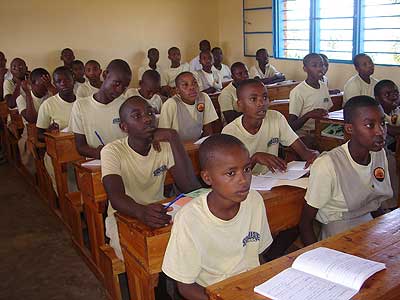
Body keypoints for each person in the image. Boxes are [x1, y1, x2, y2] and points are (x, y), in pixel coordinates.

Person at [162, 134, 273, 299]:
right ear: (207, 178)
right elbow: (185, 287)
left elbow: (256, 255)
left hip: (250, 287)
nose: (243, 180)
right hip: (212, 293)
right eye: (231, 173)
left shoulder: (254, 201)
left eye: (247, 169)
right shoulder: (190, 218)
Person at [101, 96, 201, 260]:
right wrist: (140, 211)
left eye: (150, 112)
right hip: (124, 215)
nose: (147, 119)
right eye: (137, 116)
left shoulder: (164, 146)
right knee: (138, 258)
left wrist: (173, 137)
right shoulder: (112, 151)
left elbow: (190, 187)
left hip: (159, 210)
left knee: (191, 247)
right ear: (123, 127)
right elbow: (116, 196)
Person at [299, 96, 393, 245]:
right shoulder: (327, 165)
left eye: (383, 123)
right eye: (370, 125)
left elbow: (374, 201)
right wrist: (317, 258)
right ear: (350, 128)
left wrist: (388, 230)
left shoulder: (379, 153)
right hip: (339, 231)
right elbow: (305, 224)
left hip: (370, 225)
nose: (380, 131)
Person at [222, 79, 318, 175]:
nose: (261, 103)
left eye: (264, 97)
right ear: (240, 105)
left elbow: (304, 152)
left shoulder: (276, 118)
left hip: (272, 179)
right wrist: (255, 158)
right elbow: (232, 174)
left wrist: (314, 156)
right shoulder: (230, 132)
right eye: (253, 99)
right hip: (245, 185)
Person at [69, 59, 131, 159]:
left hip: (124, 161)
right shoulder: (81, 106)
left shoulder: (126, 104)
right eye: (117, 83)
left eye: (124, 87)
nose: (119, 90)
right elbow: (80, 147)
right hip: (96, 164)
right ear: (105, 74)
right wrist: (101, 153)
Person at [36, 66, 77, 194]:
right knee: (69, 188)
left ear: (73, 80)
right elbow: (39, 135)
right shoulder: (48, 105)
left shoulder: (82, 103)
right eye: (59, 81)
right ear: (54, 84)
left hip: (81, 150)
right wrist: (51, 133)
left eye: (66, 80)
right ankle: (68, 202)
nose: (63, 84)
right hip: (59, 153)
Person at [158, 72, 219, 141]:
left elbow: (208, 128)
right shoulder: (171, 104)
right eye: (185, 85)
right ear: (177, 90)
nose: (191, 87)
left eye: (194, 83)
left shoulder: (204, 97)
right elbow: (164, 135)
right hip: (177, 146)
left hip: (197, 144)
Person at [288, 53, 333, 147]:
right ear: (305, 69)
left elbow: (328, 110)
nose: (320, 68)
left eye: (321, 65)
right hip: (305, 133)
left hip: (323, 130)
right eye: (314, 65)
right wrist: (309, 115)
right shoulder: (298, 91)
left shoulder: (324, 86)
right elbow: (291, 126)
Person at [16, 68, 55, 173]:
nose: (46, 89)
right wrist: (28, 93)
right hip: (31, 134)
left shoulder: (50, 95)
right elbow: (31, 119)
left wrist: (50, 86)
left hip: (52, 132)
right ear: (32, 84)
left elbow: (62, 101)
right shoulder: (22, 98)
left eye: (48, 84)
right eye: (43, 85)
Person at [374, 80, 400, 209]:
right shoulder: (378, 114)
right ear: (377, 99)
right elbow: (392, 130)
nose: (394, 96)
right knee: (390, 162)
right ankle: (391, 205)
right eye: (387, 94)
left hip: (392, 148)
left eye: (396, 92)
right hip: (379, 150)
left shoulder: (395, 110)